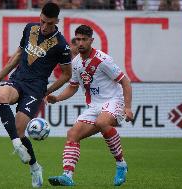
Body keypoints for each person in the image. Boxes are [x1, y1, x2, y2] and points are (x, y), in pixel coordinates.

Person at [0, 2, 72, 188]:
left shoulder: (62, 45)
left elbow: (67, 74)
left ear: (57, 21)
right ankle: (16, 144)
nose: (44, 27)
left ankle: (35, 167)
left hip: (36, 89)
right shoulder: (30, 28)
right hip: (18, 79)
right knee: (1, 96)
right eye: (42, 21)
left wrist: (47, 91)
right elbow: (20, 52)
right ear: (40, 16)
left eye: (49, 23)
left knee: (20, 131)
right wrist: (2, 72)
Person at [47, 24, 133, 186]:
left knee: (102, 122)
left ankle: (121, 164)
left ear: (91, 40)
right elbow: (73, 87)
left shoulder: (103, 60)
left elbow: (125, 81)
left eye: (84, 40)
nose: (80, 43)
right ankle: (68, 175)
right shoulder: (76, 63)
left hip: (114, 101)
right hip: (94, 106)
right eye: (78, 39)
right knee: (73, 134)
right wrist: (57, 98)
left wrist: (127, 107)